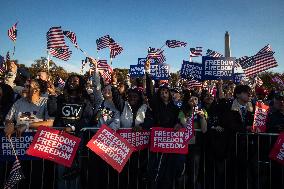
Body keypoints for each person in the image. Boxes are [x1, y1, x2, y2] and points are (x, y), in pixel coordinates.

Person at [47, 74, 95, 189]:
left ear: (81, 84)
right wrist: (53, 95)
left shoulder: (84, 100)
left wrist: (73, 128)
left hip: (78, 141)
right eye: (70, 80)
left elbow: (87, 119)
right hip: (61, 140)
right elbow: (52, 112)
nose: (72, 82)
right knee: (61, 172)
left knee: (75, 172)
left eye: (75, 81)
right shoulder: (61, 98)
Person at [178, 90, 207, 189]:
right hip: (184, 143)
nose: (194, 101)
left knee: (194, 170)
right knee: (182, 168)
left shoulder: (203, 111)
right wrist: (190, 114)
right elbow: (184, 124)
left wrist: (202, 117)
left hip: (196, 144)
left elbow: (204, 130)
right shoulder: (182, 111)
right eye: (191, 99)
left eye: (195, 99)